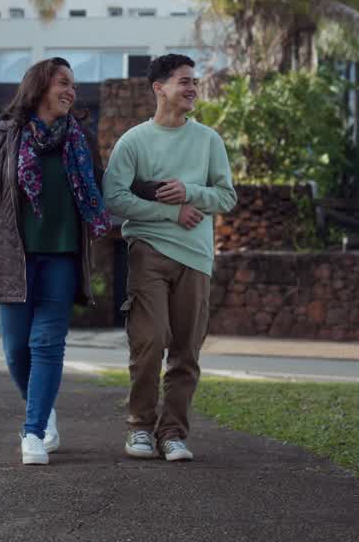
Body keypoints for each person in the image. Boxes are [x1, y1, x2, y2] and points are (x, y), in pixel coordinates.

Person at [0, 57, 111, 465]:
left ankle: (33, 431)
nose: (71, 91)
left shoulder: (80, 137)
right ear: (40, 86)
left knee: (47, 344)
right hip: (14, 259)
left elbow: (104, 186)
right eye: (64, 82)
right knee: (15, 352)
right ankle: (43, 409)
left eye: (74, 86)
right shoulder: (1, 136)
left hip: (63, 257)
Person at [102, 53, 237, 462]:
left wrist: (190, 193)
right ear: (159, 88)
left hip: (196, 257)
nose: (192, 87)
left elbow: (226, 196)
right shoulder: (134, 141)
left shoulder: (208, 140)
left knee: (186, 350)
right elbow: (115, 198)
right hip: (149, 251)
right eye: (184, 81)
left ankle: (173, 432)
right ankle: (140, 428)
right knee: (150, 340)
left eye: (194, 81)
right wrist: (170, 211)